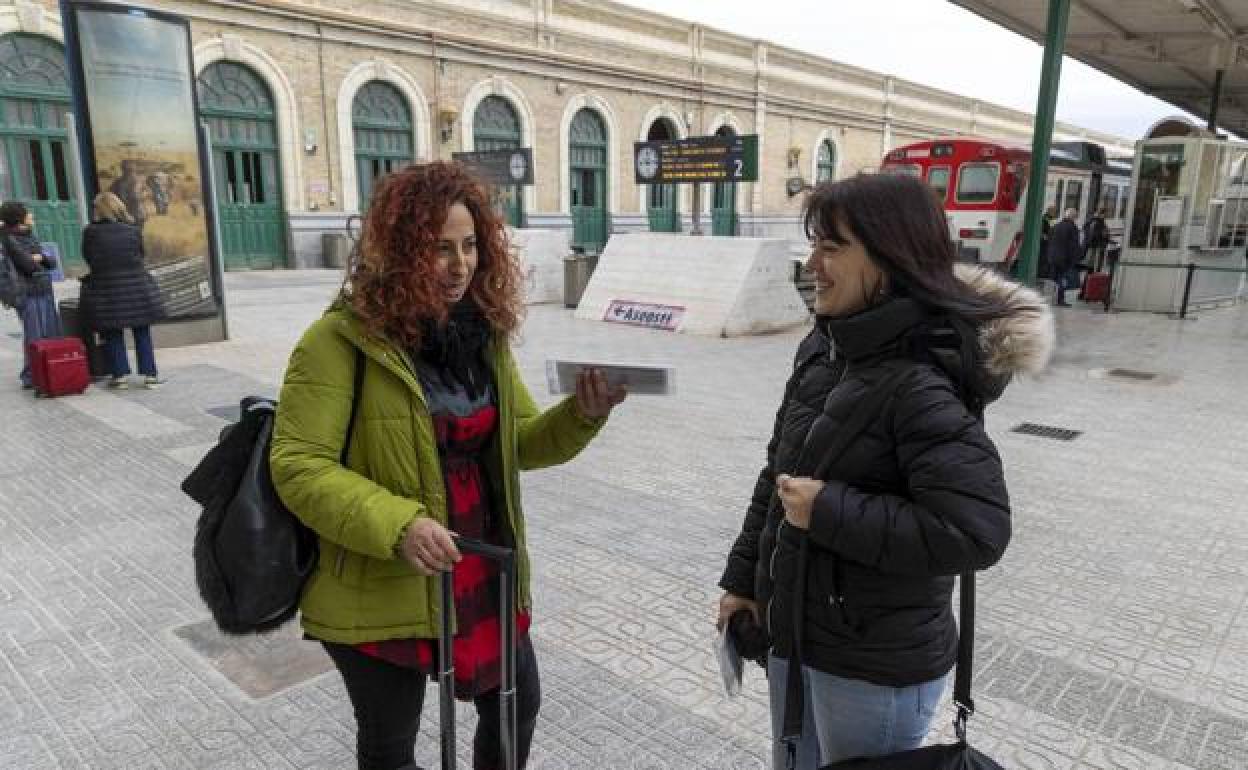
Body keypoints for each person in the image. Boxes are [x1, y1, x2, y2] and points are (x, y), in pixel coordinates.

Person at [269, 161, 626, 770]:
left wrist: (582, 414)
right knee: (391, 745)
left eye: (469, 247)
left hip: (479, 560)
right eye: (437, 249)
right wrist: (398, 525)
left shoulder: (481, 337)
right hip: (383, 572)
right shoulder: (336, 342)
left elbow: (521, 443)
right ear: (397, 251)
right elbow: (298, 465)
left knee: (518, 704)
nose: (460, 266)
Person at [716, 173, 1054, 768]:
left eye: (832, 247)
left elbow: (976, 530)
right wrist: (743, 583)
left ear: (890, 258)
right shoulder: (824, 350)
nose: (812, 264)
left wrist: (827, 510)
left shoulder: (921, 381)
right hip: (794, 634)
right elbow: (777, 477)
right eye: (813, 244)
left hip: (872, 668)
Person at [80, 192, 166, 390]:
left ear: (99, 210)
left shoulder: (91, 232)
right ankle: (150, 376)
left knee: (112, 332)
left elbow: (89, 258)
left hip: (106, 288)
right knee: (142, 331)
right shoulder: (133, 230)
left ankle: (120, 377)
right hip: (136, 286)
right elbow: (141, 254)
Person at [1, 201, 62, 390]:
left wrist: (41, 258)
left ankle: (48, 370)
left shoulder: (29, 235)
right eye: (29, 214)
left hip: (43, 288)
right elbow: (28, 265)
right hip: (26, 292)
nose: (33, 216)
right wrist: (37, 260)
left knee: (50, 333)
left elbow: (51, 262)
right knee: (34, 335)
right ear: (19, 218)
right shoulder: (7, 239)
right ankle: (31, 375)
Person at [1048, 207, 1082, 306]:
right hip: (1064, 258)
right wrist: (1075, 259)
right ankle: (1060, 299)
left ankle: (1052, 298)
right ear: (1073, 217)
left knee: (1054, 278)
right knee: (1062, 278)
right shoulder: (1073, 228)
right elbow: (1073, 246)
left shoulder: (1056, 226)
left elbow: (1050, 240)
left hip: (1053, 257)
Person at [109, 160, 147, 231]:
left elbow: (147, 191)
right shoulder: (117, 182)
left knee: (137, 233)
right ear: (123, 170)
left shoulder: (140, 180)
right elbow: (109, 196)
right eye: (128, 170)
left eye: (132, 170)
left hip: (138, 212)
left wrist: (141, 196)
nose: (131, 172)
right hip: (124, 214)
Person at [1083, 207, 1110, 273]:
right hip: (1095, 245)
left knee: (1093, 262)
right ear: (1101, 214)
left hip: (1095, 245)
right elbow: (1093, 234)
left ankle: (1091, 274)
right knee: (1094, 262)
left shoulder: (1094, 221)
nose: (1105, 216)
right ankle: (1092, 275)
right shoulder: (1095, 221)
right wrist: (1104, 235)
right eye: (1104, 214)